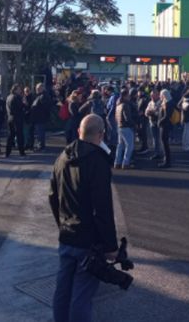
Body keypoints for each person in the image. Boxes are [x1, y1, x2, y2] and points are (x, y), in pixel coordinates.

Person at [49, 114, 119, 322]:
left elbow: (53, 196)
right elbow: (102, 208)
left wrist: (61, 224)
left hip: (67, 234)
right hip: (88, 239)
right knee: (82, 296)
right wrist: (110, 246)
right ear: (101, 135)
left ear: (79, 131)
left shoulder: (63, 156)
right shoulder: (97, 162)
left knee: (63, 290)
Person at [114, 90, 136, 169]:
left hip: (119, 126)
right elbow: (127, 118)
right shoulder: (125, 105)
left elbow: (116, 117)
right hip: (126, 126)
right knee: (129, 146)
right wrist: (134, 124)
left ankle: (117, 162)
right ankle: (126, 163)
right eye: (128, 95)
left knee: (120, 145)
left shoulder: (118, 105)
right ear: (125, 96)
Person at [5, 84, 26, 157]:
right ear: (15, 90)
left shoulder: (8, 97)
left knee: (11, 135)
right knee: (19, 135)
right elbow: (20, 107)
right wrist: (24, 105)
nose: (20, 90)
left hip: (10, 118)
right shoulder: (16, 97)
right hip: (17, 118)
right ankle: (21, 151)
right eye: (19, 89)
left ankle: (7, 152)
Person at [31, 83, 51, 152]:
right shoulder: (40, 96)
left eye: (38, 88)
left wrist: (36, 109)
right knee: (39, 133)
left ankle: (41, 146)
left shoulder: (43, 96)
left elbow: (45, 107)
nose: (36, 90)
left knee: (40, 133)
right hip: (39, 118)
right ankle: (40, 145)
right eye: (36, 88)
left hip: (40, 118)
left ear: (42, 88)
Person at [157, 89, 175, 168]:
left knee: (165, 143)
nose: (160, 96)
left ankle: (167, 161)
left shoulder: (168, 103)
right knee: (164, 143)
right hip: (164, 125)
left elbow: (166, 116)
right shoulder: (167, 102)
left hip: (165, 125)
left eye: (161, 95)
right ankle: (166, 159)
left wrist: (160, 121)